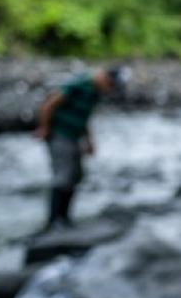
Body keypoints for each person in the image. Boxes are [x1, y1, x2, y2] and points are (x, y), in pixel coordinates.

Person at [34, 66, 128, 229]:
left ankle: (64, 218)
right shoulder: (80, 84)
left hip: (74, 137)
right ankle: (54, 221)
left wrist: (89, 140)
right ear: (105, 77)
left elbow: (83, 117)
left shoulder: (94, 93)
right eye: (111, 85)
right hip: (60, 135)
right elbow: (49, 105)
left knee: (76, 175)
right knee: (63, 175)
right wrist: (44, 128)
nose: (111, 89)